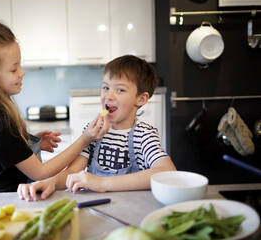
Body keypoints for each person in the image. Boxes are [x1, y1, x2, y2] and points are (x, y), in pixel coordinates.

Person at [0, 17, 109, 193]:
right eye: (14, 69)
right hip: (2, 201)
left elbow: (8, 154)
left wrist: (31, 144)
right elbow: (41, 172)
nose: (22, 72)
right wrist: (85, 139)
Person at [18, 55, 177, 201]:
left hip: (132, 207)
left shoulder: (144, 135)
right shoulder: (94, 133)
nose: (109, 96)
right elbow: (73, 172)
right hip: (96, 206)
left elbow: (166, 172)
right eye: (106, 87)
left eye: (120, 90)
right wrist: (51, 182)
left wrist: (102, 183)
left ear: (141, 99)